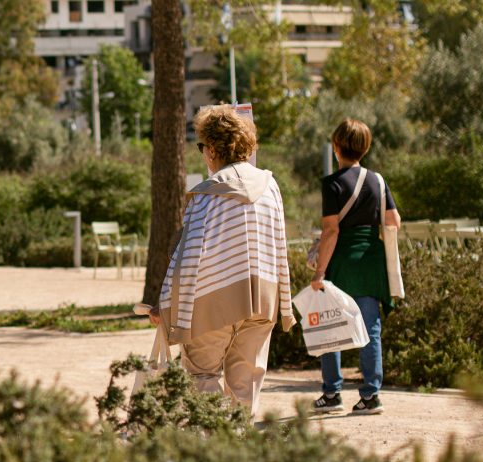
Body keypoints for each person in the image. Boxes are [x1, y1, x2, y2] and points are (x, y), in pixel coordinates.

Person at [151, 105, 294, 417]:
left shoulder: (207, 194)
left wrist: (165, 304)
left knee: (202, 376)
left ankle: (211, 449)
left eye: (202, 147)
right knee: (246, 384)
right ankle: (239, 449)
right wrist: (284, 302)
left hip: (213, 300)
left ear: (212, 149)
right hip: (263, 300)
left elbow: (187, 259)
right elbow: (279, 243)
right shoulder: (270, 186)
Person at [310, 118, 399, 415]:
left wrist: (320, 272)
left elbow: (331, 231)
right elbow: (393, 222)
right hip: (370, 262)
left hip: (342, 260)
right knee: (370, 328)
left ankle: (332, 393)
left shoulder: (332, 184)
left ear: (336, 147)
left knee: (329, 324)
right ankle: (371, 396)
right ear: (366, 147)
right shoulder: (378, 180)